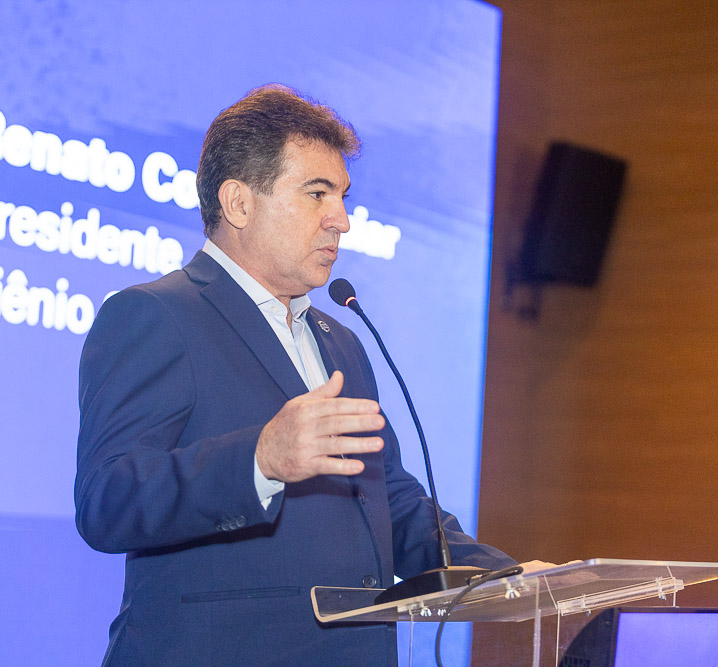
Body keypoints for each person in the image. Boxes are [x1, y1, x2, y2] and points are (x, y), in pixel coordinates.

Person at [75, 85, 516, 665]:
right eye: (317, 194)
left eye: (343, 197)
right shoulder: (157, 314)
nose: (343, 221)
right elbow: (107, 500)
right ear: (238, 203)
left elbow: (386, 495)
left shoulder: (342, 341)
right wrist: (260, 459)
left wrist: (500, 575)